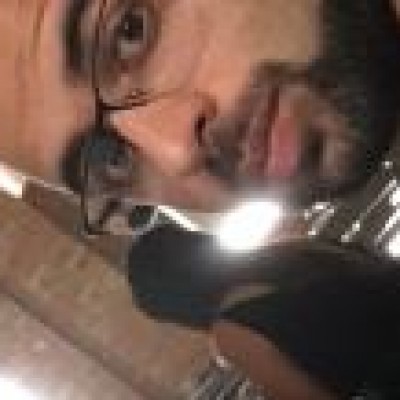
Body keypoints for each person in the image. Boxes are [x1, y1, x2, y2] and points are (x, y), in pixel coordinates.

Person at [1, 1, 400, 398]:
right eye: (112, 159)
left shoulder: (242, 317)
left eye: (130, 30)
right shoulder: (288, 252)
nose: (177, 155)